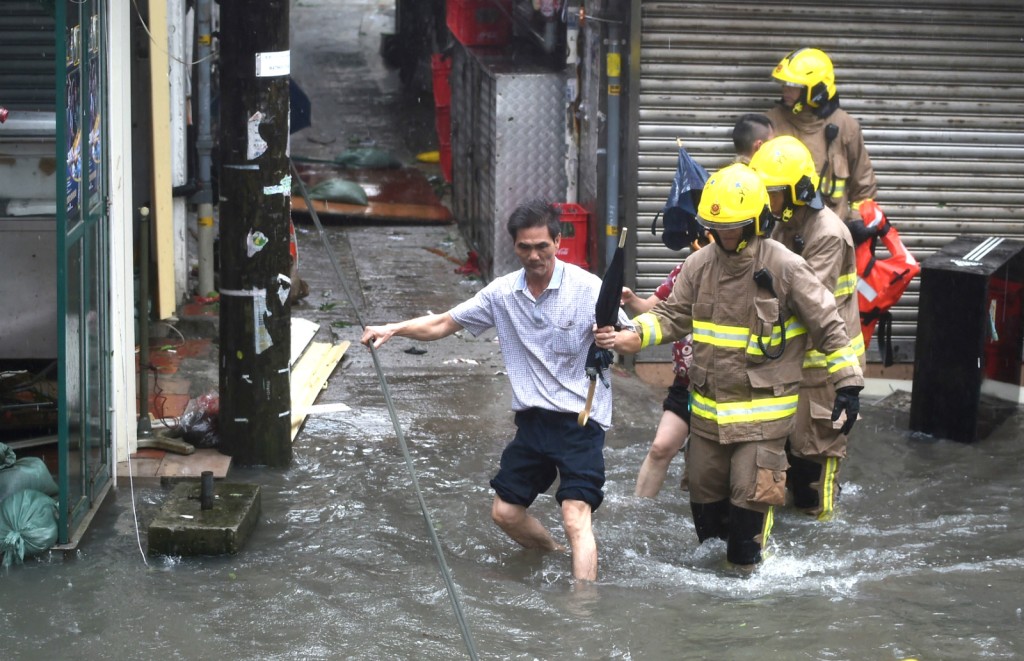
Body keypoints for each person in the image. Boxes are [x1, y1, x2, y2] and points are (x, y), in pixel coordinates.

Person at [594, 163, 863, 570]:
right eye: (717, 228)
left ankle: (749, 616)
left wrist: (848, 383)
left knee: (744, 544)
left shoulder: (786, 266)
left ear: (757, 221)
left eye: (734, 227)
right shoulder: (700, 266)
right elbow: (669, 315)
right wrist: (632, 335)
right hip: (706, 420)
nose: (724, 236)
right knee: (707, 533)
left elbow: (828, 323)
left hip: (763, 423)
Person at [360, 199, 628, 582]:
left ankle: (581, 612)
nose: (534, 256)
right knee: (504, 513)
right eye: (525, 247)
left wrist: (614, 338)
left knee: (574, 516)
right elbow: (441, 324)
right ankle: (554, 555)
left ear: (557, 242)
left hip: (580, 420)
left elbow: (634, 337)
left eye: (542, 246)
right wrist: (393, 328)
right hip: (533, 421)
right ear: (514, 246)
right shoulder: (502, 293)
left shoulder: (588, 288)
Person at [626, 114, 776, 499]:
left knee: (719, 475)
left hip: (734, 389)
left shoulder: (765, 265)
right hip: (688, 382)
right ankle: (639, 513)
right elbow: (660, 312)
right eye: (713, 227)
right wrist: (630, 308)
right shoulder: (689, 268)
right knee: (662, 447)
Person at [749, 135, 865, 520]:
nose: (767, 199)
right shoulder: (782, 223)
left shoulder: (827, 233)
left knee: (816, 476)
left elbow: (806, 300)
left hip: (826, 369)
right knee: (788, 465)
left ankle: (825, 547)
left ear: (797, 191)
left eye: (773, 192)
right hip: (795, 366)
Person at [766, 48, 878, 223]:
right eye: (784, 84)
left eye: (794, 86)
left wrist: (857, 224)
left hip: (830, 236)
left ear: (815, 90)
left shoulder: (846, 126)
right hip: (782, 234)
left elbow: (863, 187)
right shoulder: (770, 124)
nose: (785, 90)